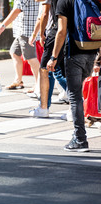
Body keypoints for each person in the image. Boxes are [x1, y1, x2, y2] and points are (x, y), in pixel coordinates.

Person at [46, 0, 101, 151]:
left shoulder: (64, 2)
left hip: (74, 53)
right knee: (78, 94)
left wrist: (53, 57)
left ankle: (80, 139)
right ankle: (77, 134)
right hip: (91, 52)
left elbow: (61, 32)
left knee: (74, 96)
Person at [28, 0, 68, 117]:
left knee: (44, 69)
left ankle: (43, 108)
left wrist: (41, 34)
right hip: (70, 31)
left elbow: (44, 14)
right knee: (63, 71)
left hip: (56, 31)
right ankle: (76, 107)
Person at [0, 0, 40, 91]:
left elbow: (17, 10)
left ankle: (39, 84)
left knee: (30, 57)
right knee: (14, 52)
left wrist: (2, 26)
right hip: (23, 29)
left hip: (27, 30)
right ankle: (18, 80)